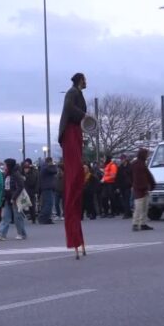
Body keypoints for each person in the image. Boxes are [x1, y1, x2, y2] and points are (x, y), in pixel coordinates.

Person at [58, 72, 88, 258]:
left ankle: (79, 240)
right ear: (80, 80)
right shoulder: (71, 92)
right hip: (70, 132)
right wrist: (85, 115)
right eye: (85, 79)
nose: (87, 82)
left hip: (76, 132)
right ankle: (75, 239)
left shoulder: (77, 93)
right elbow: (69, 108)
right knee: (74, 174)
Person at [0, 158, 28, 241]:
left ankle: (21, 233)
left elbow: (21, 186)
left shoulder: (15, 174)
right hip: (8, 198)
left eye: (5, 164)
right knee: (5, 217)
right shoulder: (7, 174)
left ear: (9, 165)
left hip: (15, 199)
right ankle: (2, 234)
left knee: (18, 217)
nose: (4, 166)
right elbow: (6, 186)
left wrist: (14, 197)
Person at [131, 148, 156, 231]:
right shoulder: (138, 164)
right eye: (146, 154)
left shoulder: (140, 163)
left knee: (143, 207)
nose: (147, 156)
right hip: (140, 189)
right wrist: (149, 185)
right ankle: (136, 223)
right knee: (139, 207)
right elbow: (142, 177)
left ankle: (142, 223)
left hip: (141, 188)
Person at [38, 157, 58, 224]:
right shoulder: (46, 168)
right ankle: (43, 218)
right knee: (48, 204)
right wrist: (53, 165)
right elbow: (55, 170)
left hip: (47, 188)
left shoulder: (44, 167)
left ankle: (46, 218)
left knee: (46, 204)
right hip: (47, 188)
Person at [117, 154, 133, 219]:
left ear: (125, 159)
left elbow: (132, 176)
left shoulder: (130, 166)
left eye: (122, 159)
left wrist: (132, 184)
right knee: (124, 199)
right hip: (122, 185)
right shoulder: (120, 167)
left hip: (128, 185)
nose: (122, 160)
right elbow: (118, 177)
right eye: (121, 159)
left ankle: (126, 213)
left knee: (127, 199)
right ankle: (129, 212)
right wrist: (117, 186)